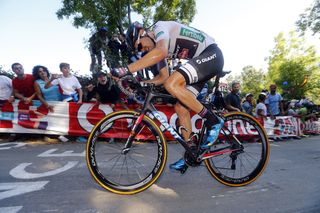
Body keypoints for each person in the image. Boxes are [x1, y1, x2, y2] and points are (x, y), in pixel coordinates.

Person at [111, 21, 225, 171]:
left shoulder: (160, 28)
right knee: (180, 107)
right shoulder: (161, 47)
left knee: (172, 84)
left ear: (142, 33)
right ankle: (192, 153)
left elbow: (161, 53)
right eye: (139, 51)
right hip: (202, 63)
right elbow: (163, 77)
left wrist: (125, 70)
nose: (142, 50)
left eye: (139, 46)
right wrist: (142, 82)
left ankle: (213, 120)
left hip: (212, 55)